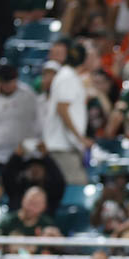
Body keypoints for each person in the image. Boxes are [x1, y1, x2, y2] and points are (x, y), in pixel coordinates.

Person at [41, 49, 90, 186]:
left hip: (63, 147)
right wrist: (79, 138)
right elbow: (62, 108)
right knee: (76, 187)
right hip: (63, 147)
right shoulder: (68, 77)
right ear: (85, 60)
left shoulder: (67, 75)